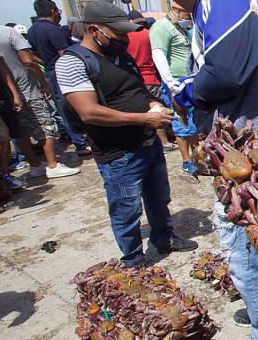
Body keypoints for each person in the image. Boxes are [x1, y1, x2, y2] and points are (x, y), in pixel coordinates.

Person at [172, 0, 258, 337]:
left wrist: (187, 91)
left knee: (249, 253)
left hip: (251, 153)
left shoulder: (221, 1)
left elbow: (226, 73)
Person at [55, 1, 198, 266]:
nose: (124, 38)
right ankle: (134, 258)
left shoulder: (120, 55)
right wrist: (143, 117)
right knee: (126, 208)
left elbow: (135, 89)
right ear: (95, 30)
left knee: (158, 198)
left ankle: (164, 237)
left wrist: (152, 104)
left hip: (146, 143)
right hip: (118, 152)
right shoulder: (72, 63)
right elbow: (89, 112)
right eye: (118, 33)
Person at [0, 23, 81, 179]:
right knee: (46, 124)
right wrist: (43, 83)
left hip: (4, 93)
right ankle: (52, 164)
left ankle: (35, 165)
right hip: (26, 87)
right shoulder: (8, 32)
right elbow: (28, 61)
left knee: (20, 132)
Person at [27, 0, 91, 157]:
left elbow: (33, 55)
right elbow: (65, 55)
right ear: (53, 11)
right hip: (63, 74)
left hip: (50, 72)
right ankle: (82, 143)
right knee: (76, 106)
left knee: (64, 110)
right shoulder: (54, 30)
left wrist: (47, 64)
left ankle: (78, 141)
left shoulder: (32, 30)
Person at [149, 1, 199, 175]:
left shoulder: (180, 28)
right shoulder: (161, 28)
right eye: (187, 13)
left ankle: (196, 156)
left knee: (192, 123)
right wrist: (171, 85)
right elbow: (159, 54)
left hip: (188, 82)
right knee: (180, 123)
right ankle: (186, 161)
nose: (189, 17)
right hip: (176, 84)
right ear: (177, 10)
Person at [126, 10, 177, 152]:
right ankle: (165, 141)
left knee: (151, 111)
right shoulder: (148, 34)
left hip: (136, 77)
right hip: (151, 76)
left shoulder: (127, 36)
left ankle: (162, 141)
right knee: (157, 110)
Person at [0, 40, 27, 190]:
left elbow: (0, 65)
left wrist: (14, 93)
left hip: (0, 94)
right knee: (0, 136)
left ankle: (2, 176)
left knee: (7, 138)